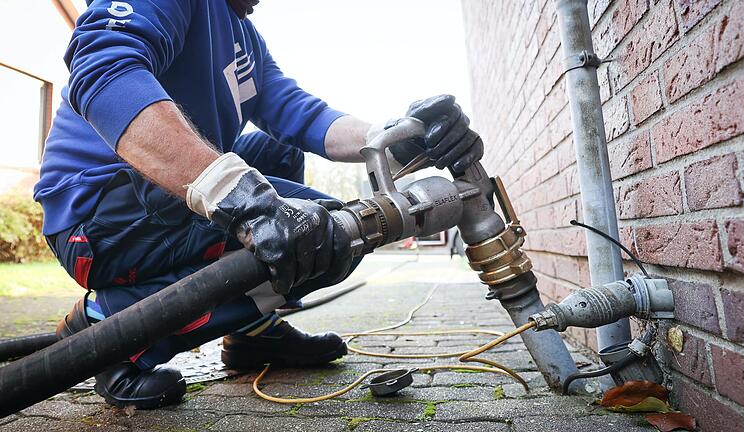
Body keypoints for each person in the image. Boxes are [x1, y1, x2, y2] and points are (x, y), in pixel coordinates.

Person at [35, 0, 483, 409]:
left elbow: (301, 114)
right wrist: (235, 194)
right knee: (323, 235)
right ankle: (110, 328)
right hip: (95, 217)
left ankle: (254, 333)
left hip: (152, 203)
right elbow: (103, 65)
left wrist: (399, 136)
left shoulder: (243, 36)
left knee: (294, 177)